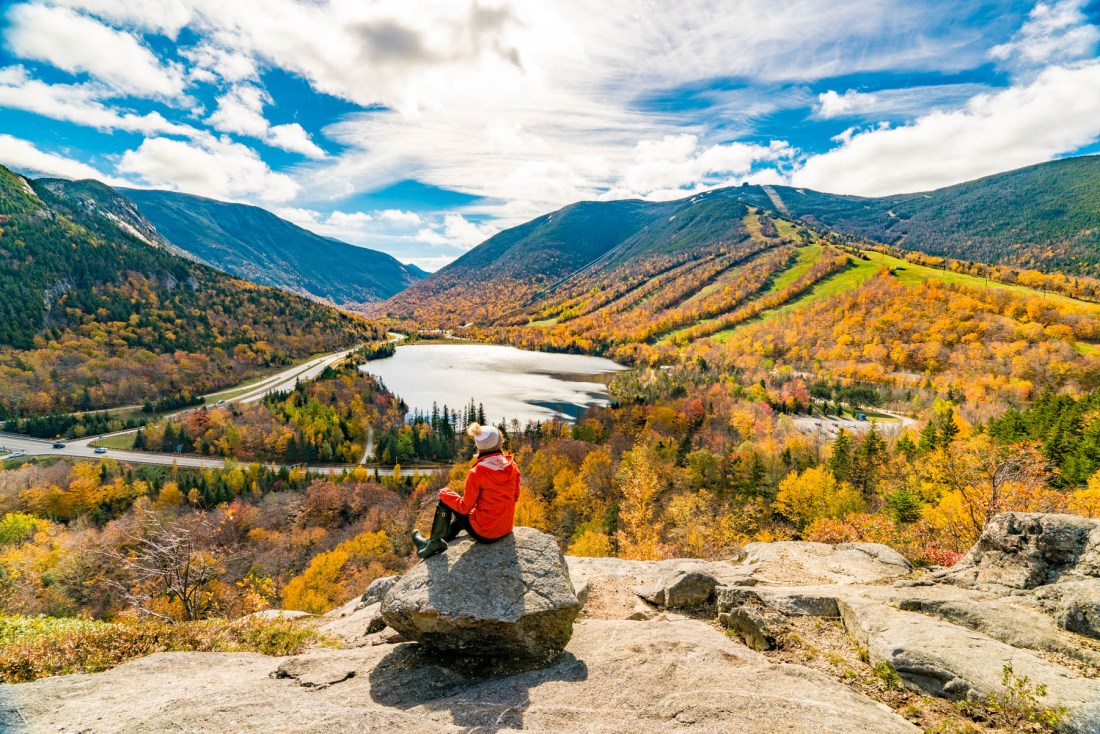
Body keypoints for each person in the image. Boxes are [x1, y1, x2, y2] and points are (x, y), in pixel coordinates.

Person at [411, 422, 521, 559]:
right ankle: (430, 541)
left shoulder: (477, 472)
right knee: (459, 522)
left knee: (446, 500)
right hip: (505, 527)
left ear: (479, 447)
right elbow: (515, 496)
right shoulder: (512, 466)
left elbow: (464, 508)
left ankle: (433, 543)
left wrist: (445, 493)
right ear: (499, 443)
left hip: (486, 533)